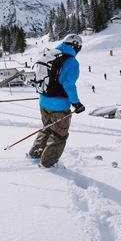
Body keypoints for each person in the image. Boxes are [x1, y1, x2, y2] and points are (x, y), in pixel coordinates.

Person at [28, 34, 84, 168]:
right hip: (58, 106)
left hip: (43, 101)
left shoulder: (51, 54)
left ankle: (35, 153)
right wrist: (76, 103)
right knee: (59, 135)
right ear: (75, 46)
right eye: (79, 48)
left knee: (46, 129)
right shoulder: (72, 62)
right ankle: (48, 164)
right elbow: (69, 84)